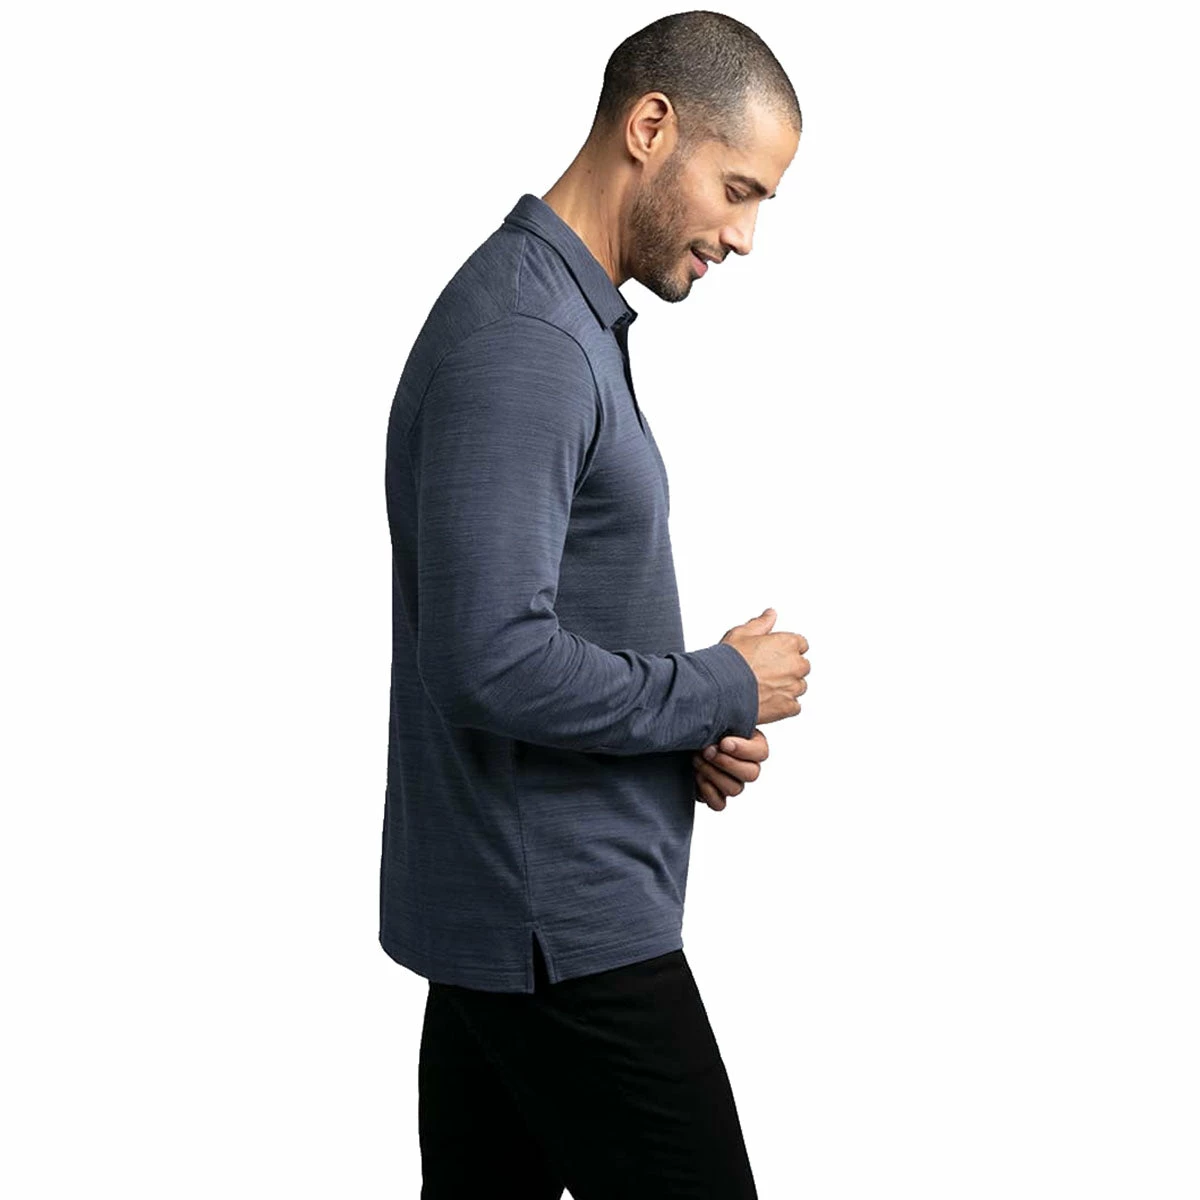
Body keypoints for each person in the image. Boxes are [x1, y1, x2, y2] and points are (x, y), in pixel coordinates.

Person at [381, 11, 810, 1197]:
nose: (745, 234)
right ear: (650, 126)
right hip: (561, 934)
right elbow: (489, 658)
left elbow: (529, 630)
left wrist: (685, 726)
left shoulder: (556, 314)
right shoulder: (526, 338)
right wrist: (717, 685)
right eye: (737, 189)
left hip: (523, 917)